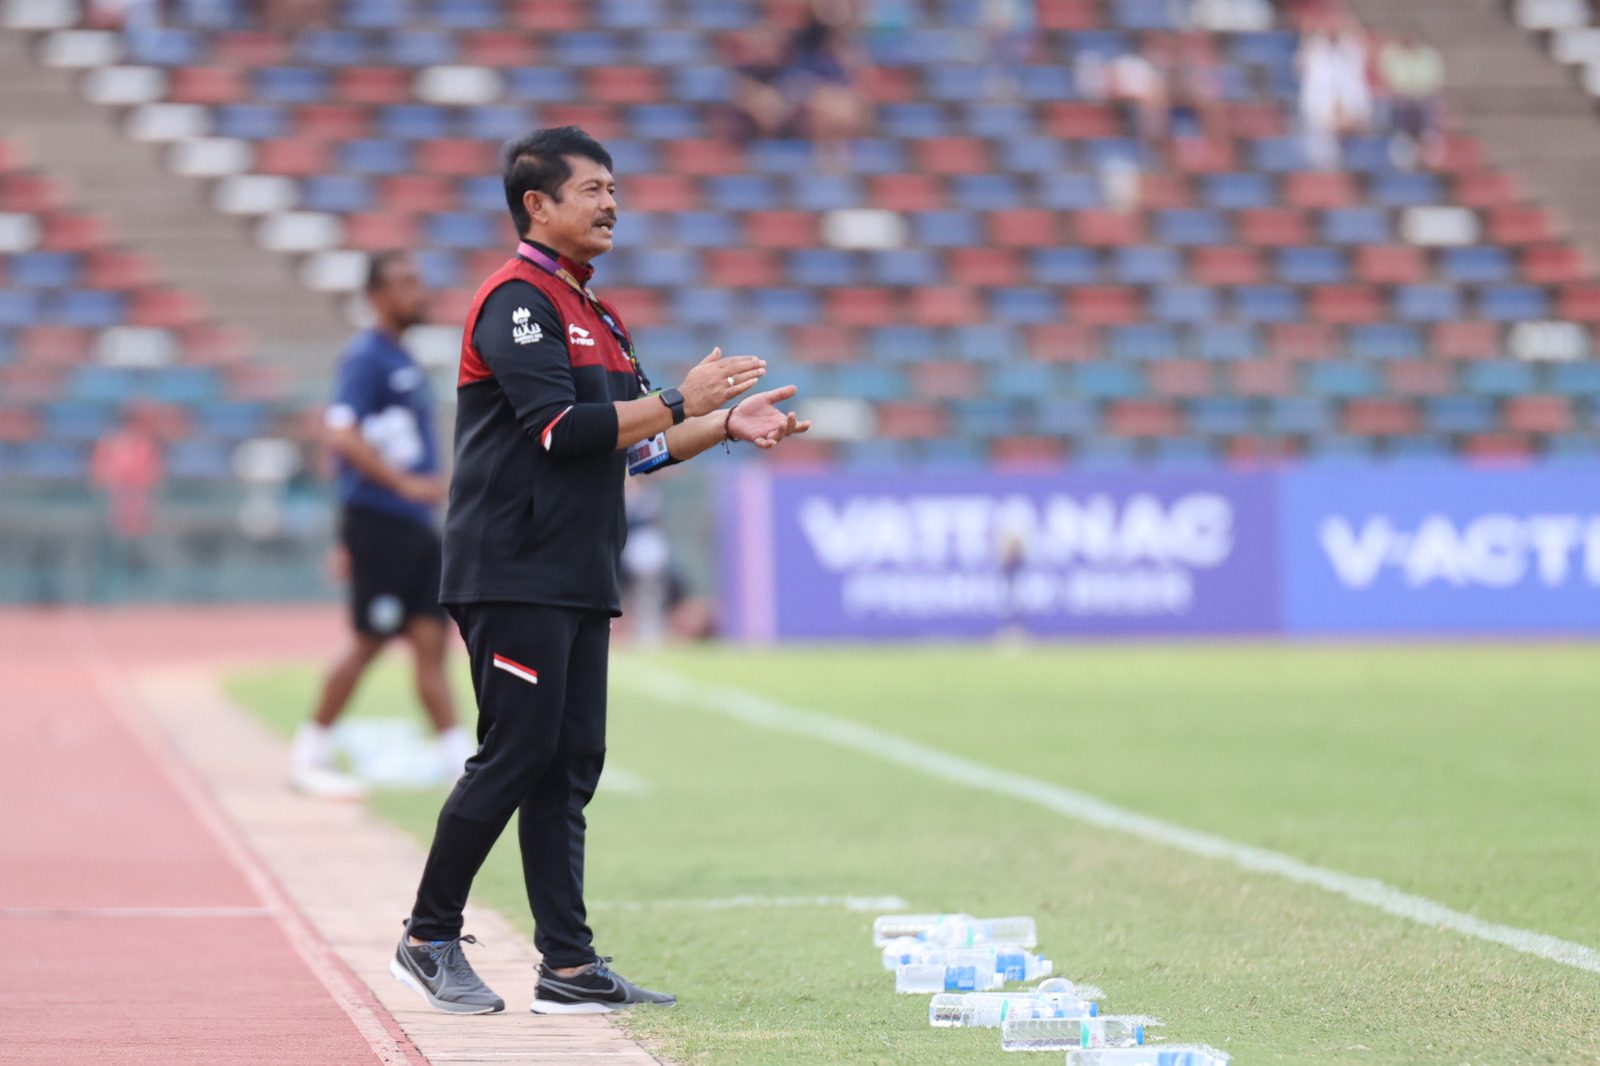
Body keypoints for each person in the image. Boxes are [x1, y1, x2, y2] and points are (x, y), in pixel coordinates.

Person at [389, 126, 810, 1016]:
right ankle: (427, 938)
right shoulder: (516, 301)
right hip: (513, 566)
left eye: (614, 189)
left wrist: (721, 425)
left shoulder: (598, 313)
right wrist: (679, 399)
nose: (611, 204)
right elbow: (561, 430)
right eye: (592, 190)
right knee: (516, 752)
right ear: (537, 204)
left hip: (575, 568)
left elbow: (637, 444)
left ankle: (569, 969)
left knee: (570, 762)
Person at [288, 252, 474, 800]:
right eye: (406, 283)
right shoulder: (367, 356)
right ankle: (309, 752)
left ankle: (459, 763)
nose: (419, 292)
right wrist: (401, 484)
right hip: (382, 521)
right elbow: (341, 433)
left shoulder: (402, 357)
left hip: (413, 526)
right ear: (376, 296)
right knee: (369, 640)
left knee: (431, 641)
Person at [1378, 27, 1444, 168]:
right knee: (1398, 110)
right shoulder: (1391, 54)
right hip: (1399, 102)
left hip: (1422, 100)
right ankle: (1402, 152)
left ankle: (1428, 150)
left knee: (1428, 111)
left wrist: (1417, 93)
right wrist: (1406, 93)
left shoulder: (1428, 55)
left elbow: (1434, 82)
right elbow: (1390, 81)